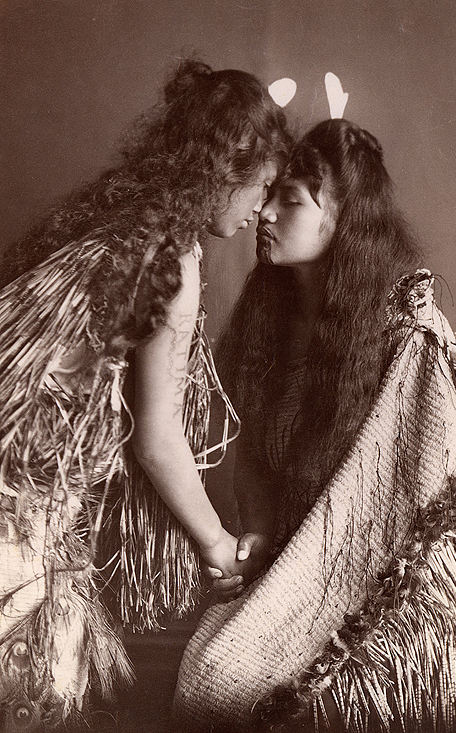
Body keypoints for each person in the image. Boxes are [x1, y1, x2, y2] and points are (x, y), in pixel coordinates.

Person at [173, 118, 456, 732]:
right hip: (295, 563)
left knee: (226, 683)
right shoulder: (268, 313)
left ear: (342, 218)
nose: (265, 213)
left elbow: (419, 486)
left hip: (390, 586)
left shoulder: (406, 326)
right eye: (267, 196)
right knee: (206, 677)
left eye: (290, 200)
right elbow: (258, 460)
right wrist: (262, 534)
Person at [0, 59, 289, 730]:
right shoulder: (172, 258)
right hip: (18, 508)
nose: (262, 211)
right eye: (263, 186)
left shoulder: (116, 221)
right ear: (225, 170)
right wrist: (217, 543)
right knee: (36, 692)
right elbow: (157, 439)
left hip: (23, 495)